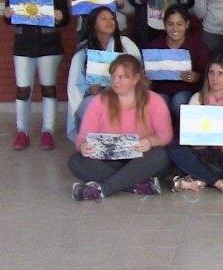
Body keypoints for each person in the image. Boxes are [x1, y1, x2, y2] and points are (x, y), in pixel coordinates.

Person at [69, 55, 171, 201]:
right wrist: (83, 146)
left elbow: (165, 135)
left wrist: (150, 141)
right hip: (108, 159)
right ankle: (136, 185)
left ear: (135, 79)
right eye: (114, 76)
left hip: (140, 159)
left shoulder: (153, 100)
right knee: (75, 161)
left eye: (122, 77)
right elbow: (83, 136)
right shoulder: (99, 101)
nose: (115, 82)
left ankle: (103, 189)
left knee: (160, 155)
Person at [3, 0, 71, 151]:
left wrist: (60, 17)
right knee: (23, 89)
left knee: (48, 88)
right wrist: (7, 14)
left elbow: (65, 17)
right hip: (24, 46)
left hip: (49, 45)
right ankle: (22, 131)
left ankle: (47, 131)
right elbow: (10, 18)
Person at [167, 55, 223, 194]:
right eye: (211, 73)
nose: (215, 78)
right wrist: (202, 138)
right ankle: (218, 182)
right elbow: (190, 139)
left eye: (221, 74)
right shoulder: (197, 98)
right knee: (174, 147)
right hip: (201, 152)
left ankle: (202, 178)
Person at [67, 6, 142, 142]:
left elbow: (139, 73)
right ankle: (95, 143)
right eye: (104, 19)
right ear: (94, 24)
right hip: (94, 95)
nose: (109, 21)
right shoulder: (83, 50)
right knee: (91, 104)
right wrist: (90, 89)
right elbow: (75, 84)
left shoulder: (126, 44)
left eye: (112, 18)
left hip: (125, 94)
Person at [144, 4, 209, 120]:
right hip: (161, 90)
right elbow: (148, 78)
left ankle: (182, 135)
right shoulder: (154, 46)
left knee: (179, 102)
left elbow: (206, 73)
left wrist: (196, 77)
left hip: (186, 90)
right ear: (164, 25)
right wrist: (147, 80)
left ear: (187, 24)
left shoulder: (197, 45)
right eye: (170, 24)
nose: (175, 29)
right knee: (159, 103)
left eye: (179, 24)